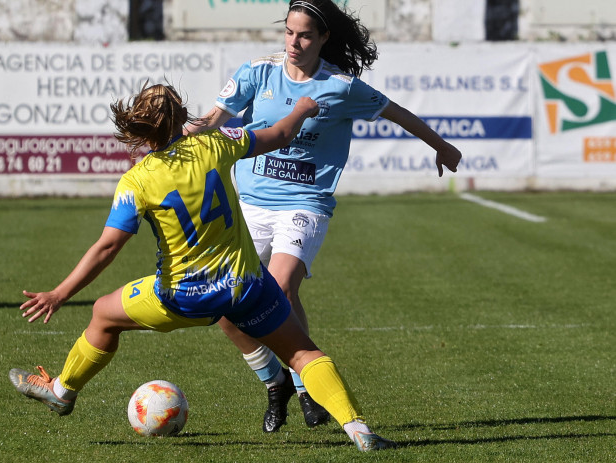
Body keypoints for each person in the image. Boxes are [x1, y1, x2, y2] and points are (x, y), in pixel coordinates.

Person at [8, 83, 397, 452]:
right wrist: (302, 109)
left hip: (180, 298)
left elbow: (108, 246)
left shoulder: (136, 181)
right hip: (245, 287)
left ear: (142, 127)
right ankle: (359, 429)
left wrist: (59, 293)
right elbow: (280, 136)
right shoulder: (215, 143)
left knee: (103, 314)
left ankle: (62, 392)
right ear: (181, 118)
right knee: (302, 354)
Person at [189, 0, 463, 433]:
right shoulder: (256, 73)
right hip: (252, 205)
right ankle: (274, 381)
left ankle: (303, 383)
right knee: (224, 305)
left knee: (278, 289)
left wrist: (441, 146)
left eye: (304, 35)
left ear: (323, 39)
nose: (294, 43)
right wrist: (189, 129)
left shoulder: (340, 86)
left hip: (305, 203)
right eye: (289, 33)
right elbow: (213, 119)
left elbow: (397, 113)